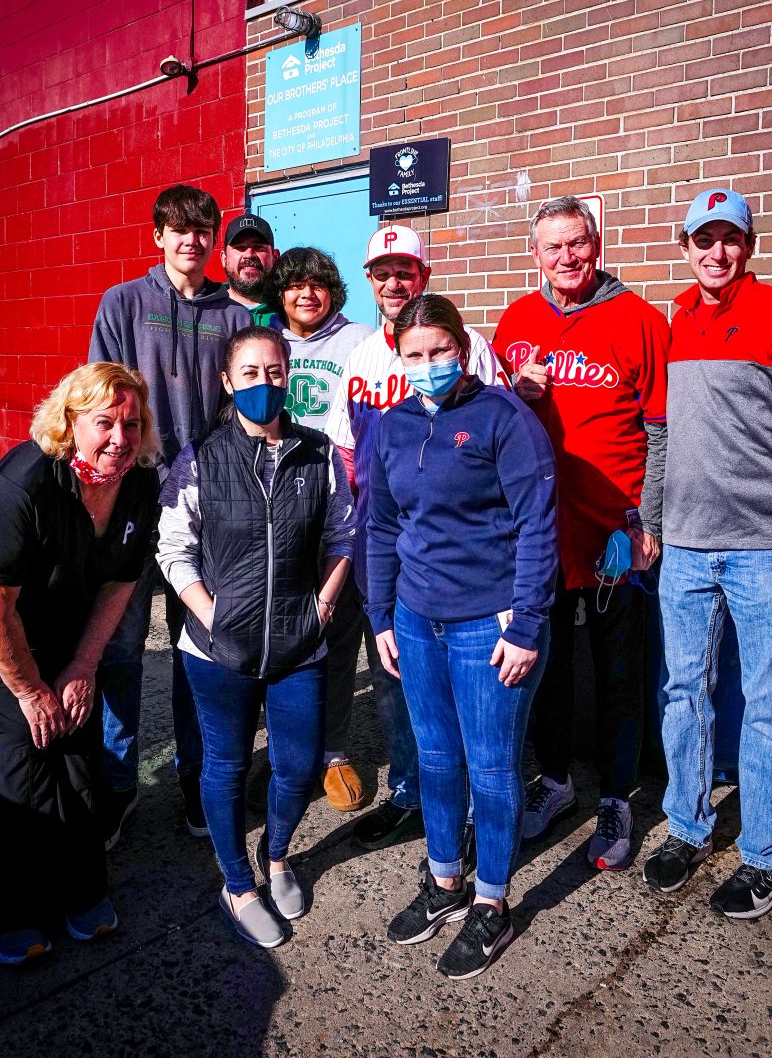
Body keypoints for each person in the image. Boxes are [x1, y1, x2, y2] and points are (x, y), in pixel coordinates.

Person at [644, 187, 772, 918]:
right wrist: (652, 525)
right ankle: (689, 827)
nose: (716, 252)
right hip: (687, 547)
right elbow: (661, 434)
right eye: (704, 239)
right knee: (683, 693)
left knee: (768, 702)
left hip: (767, 544)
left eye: (730, 239)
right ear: (687, 245)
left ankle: (769, 856)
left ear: (749, 246)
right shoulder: (674, 319)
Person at [0, 363, 160, 965]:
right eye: (104, 422)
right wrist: (29, 691)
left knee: (75, 723)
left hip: (53, 598)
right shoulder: (26, 482)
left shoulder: (137, 485)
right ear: (69, 421)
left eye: (132, 424)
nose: (119, 438)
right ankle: (10, 908)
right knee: (15, 736)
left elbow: (120, 584)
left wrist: (81, 665)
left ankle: (80, 886)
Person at [366, 294, 557, 979]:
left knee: (493, 767)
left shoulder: (504, 419)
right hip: (417, 621)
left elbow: (537, 524)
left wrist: (528, 623)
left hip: (491, 624)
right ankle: (445, 881)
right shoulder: (389, 428)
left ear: (464, 346)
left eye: (440, 351)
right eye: (414, 355)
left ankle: (492, 903)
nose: (428, 366)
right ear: (398, 357)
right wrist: (381, 615)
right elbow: (382, 526)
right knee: (437, 760)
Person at [156, 325, 355, 949]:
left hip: (300, 644)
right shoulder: (198, 459)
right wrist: (214, 617)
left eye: (274, 372)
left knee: (295, 766)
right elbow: (174, 550)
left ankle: (277, 855)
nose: (264, 384)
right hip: (217, 652)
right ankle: (238, 885)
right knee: (227, 765)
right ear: (228, 381)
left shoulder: (318, 454)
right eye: (250, 373)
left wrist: (322, 607)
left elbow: (343, 538)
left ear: (287, 375)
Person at [491, 196, 669, 869]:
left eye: (578, 244)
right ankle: (557, 783)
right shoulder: (517, 320)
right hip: (536, 535)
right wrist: (519, 394)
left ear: (596, 244)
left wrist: (648, 523)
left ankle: (618, 798)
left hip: (613, 535)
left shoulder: (640, 319)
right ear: (534, 254)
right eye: (553, 247)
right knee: (547, 668)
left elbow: (660, 430)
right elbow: (492, 422)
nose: (567, 258)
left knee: (619, 669)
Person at [324, 224, 506, 851]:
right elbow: (345, 454)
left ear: (423, 277)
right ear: (369, 281)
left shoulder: (465, 346)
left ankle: (472, 802)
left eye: (406, 270)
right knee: (395, 674)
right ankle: (410, 792)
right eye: (382, 272)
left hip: (456, 548)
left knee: (465, 679)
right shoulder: (362, 357)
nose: (394, 282)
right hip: (385, 541)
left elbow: (498, 439)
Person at [89, 184, 252, 850]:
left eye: (201, 230)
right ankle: (117, 788)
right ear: (157, 235)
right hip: (129, 504)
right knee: (120, 651)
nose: (191, 240)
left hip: (201, 512)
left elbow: (237, 413)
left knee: (199, 649)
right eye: (178, 229)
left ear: (212, 239)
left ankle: (197, 780)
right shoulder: (123, 304)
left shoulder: (234, 317)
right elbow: (98, 398)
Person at [263, 246, 374, 811]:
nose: (307, 294)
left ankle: (332, 751)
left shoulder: (360, 342)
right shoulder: (266, 344)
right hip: (278, 507)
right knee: (279, 634)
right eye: (295, 285)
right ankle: (287, 755)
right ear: (279, 293)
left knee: (336, 636)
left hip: (340, 506)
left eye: (318, 284)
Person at [221, 214, 282, 327]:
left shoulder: (289, 311)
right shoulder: (207, 308)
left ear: (275, 257)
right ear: (224, 258)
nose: (249, 255)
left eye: (259, 247)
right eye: (240, 247)